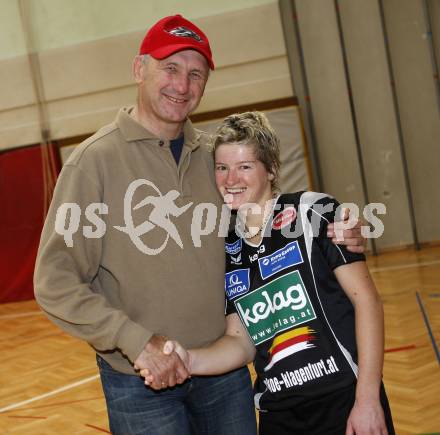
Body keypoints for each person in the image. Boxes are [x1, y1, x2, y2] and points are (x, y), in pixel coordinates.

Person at [34, 14, 365, 435]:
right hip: (139, 380)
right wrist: (135, 340)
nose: (182, 85)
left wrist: (335, 225)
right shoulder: (92, 163)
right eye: (170, 68)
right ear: (139, 69)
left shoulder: (213, 157)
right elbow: (55, 282)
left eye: (196, 74)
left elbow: (267, 215)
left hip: (222, 370)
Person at [142, 112, 395, 435]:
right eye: (222, 167)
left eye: (245, 166)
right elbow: (241, 342)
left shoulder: (314, 212)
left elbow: (368, 303)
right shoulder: (226, 247)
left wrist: (368, 399)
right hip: (279, 414)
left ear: (271, 169)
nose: (231, 179)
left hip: (344, 401)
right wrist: (187, 361)